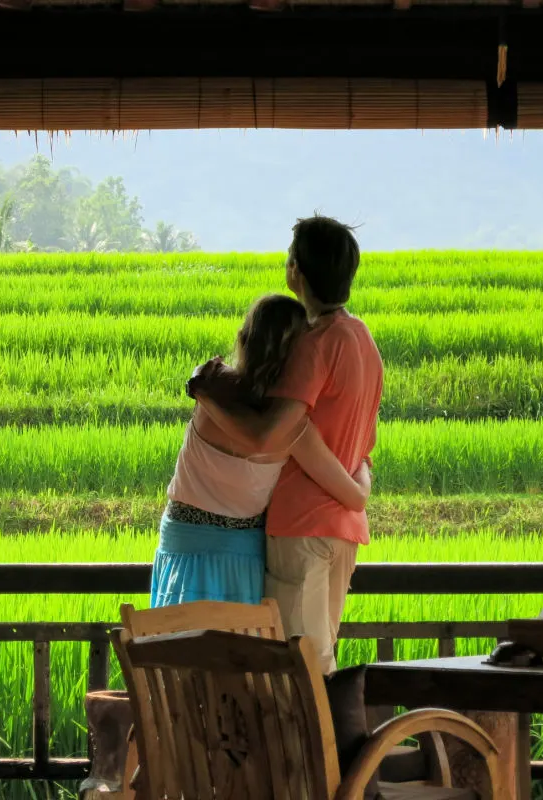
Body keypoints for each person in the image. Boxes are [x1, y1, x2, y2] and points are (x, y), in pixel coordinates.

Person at [190, 215, 383, 674]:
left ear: (295, 270)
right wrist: (356, 495)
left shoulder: (313, 346)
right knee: (321, 659)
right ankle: (329, 746)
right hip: (343, 531)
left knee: (297, 666)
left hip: (301, 526)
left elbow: (268, 434)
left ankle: (316, 749)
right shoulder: (364, 341)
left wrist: (203, 391)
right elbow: (364, 451)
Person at [151, 292, 372, 609]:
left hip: (181, 542)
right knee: (240, 652)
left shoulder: (212, 387)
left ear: (244, 338)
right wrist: (362, 463)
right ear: (301, 359)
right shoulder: (291, 427)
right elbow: (355, 496)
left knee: (179, 646)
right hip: (243, 557)